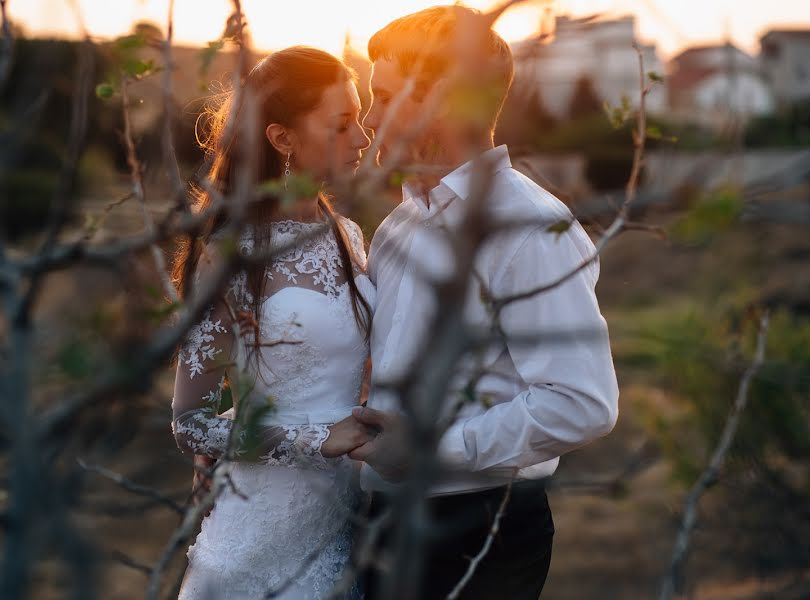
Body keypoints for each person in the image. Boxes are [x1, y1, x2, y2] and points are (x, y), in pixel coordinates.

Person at [350, 6, 620, 599]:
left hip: (479, 532)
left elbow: (582, 403)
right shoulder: (396, 228)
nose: (369, 120)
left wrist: (426, 450)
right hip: (381, 525)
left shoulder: (527, 228)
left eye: (385, 98)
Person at [170, 46, 373, 599]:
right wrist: (317, 440)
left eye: (361, 117)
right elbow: (190, 421)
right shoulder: (230, 256)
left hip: (342, 516)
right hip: (260, 528)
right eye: (341, 123)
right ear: (282, 138)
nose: (364, 137)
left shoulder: (348, 236)